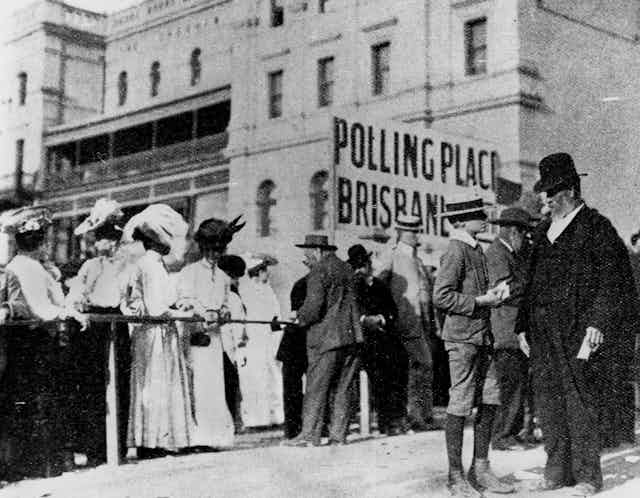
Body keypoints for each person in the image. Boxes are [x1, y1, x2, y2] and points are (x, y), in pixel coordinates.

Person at [517, 153, 639, 495]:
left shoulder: (597, 227)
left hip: (578, 330)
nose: (545, 199)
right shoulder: (542, 233)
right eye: (544, 192)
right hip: (542, 332)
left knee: (580, 402)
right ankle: (556, 472)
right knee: (549, 402)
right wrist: (521, 326)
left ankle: (587, 477)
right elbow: (529, 282)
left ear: (570, 190)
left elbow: (614, 282)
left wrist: (598, 322)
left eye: (551, 192)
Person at [433, 193, 514, 497]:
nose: (484, 218)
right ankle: (455, 477)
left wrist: (493, 293)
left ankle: (480, 469)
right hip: (462, 339)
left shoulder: (474, 248)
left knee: (490, 399)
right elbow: (440, 296)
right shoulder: (456, 250)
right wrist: (480, 300)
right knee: (461, 403)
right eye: (479, 214)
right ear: (463, 221)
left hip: (482, 337)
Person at [0, 207, 86, 480]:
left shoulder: (37, 267)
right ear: (36, 241)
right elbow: (39, 307)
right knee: (33, 402)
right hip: (30, 342)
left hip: (37, 341)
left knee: (40, 401)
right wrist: (65, 312)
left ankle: (38, 463)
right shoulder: (23, 268)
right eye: (43, 238)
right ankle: (32, 465)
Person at [121, 204, 193, 456]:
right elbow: (156, 308)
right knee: (155, 384)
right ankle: (152, 441)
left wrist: (181, 302)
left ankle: (158, 438)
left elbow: (164, 299)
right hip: (154, 334)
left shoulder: (156, 265)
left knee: (160, 383)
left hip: (159, 332)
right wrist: (186, 313)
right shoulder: (150, 265)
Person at [67, 198, 132, 464]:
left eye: (106, 239)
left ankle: (115, 446)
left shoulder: (127, 265)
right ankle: (94, 447)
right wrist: (78, 304)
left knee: (120, 383)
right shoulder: (90, 266)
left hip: (117, 320)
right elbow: (75, 295)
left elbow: (129, 295)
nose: (100, 244)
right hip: (94, 324)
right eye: (99, 239)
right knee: (92, 384)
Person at [284, 235, 362, 447]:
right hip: (352, 337)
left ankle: (309, 435)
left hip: (326, 338)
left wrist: (297, 316)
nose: (306, 258)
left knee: (316, 386)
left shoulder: (319, 271)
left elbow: (313, 308)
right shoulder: (347, 268)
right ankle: (338, 436)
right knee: (344, 388)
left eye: (307, 253)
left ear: (317, 251)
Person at [175, 217, 244, 449]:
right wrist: (203, 313)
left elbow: (225, 303)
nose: (216, 255)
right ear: (204, 249)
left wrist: (222, 312)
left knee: (214, 385)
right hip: (195, 337)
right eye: (212, 250)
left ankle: (214, 436)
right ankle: (197, 437)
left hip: (215, 340)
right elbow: (185, 301)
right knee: (197, 385)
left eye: (220, 250)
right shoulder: (189, 272)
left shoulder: (224, 278)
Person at [484, 207, 535, 452]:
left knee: (515, 383)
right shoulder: (497, 254)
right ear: (514, 231)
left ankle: (509, 433)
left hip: (511, 330)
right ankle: (503, 436)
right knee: (510, 384)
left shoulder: (507, 254)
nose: (526, 240)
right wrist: (530, 281)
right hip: (505, 331)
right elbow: (501, 291)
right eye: (524, 235)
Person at [378, 214, 434, 432]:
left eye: (416, 230)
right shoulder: (391, 256)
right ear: (400, 233)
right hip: (404, 323)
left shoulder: (418, 260)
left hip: (423, 323)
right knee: (417, 368)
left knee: (423, 368)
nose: (415, 235)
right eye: (410, 231)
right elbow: (379, 285)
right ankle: (416, 416)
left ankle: (422, 416)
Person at [348, 244, 406, 436]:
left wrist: (380, 319)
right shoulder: (350, 285)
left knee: (390, 374)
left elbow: (392, 312)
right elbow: (349, 312)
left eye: (364, 264)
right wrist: (365, 320)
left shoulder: (380, 286)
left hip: (381, 340)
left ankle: (388, 421)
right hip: (359, 341)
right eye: (359, 266)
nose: (363, 269)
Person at [238, 254, 284, 428]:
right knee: (254, 378)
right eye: (264, 270)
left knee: (272, 376)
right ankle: (256, 419)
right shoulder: (246, 291)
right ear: (256, 272)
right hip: (252, 339)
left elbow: (275, 316)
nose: (267, 273)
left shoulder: (268, 290)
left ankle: (275, 417)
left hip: (268, 339)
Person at [217, 254, 249, 433]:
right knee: (230, 385)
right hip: (228, 345)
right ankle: (234, 421)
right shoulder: (232, 298)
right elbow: (239, 327)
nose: (236, 281)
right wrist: (241, 347)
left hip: (222, 344)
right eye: (234, 277)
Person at [276, 272, 309, 439]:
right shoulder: (305, 284)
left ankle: (294, 429)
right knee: (293, 390)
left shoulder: (302, 282)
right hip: (297, 342)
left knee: (293, 389)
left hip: (296, 342)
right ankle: (294, 429)